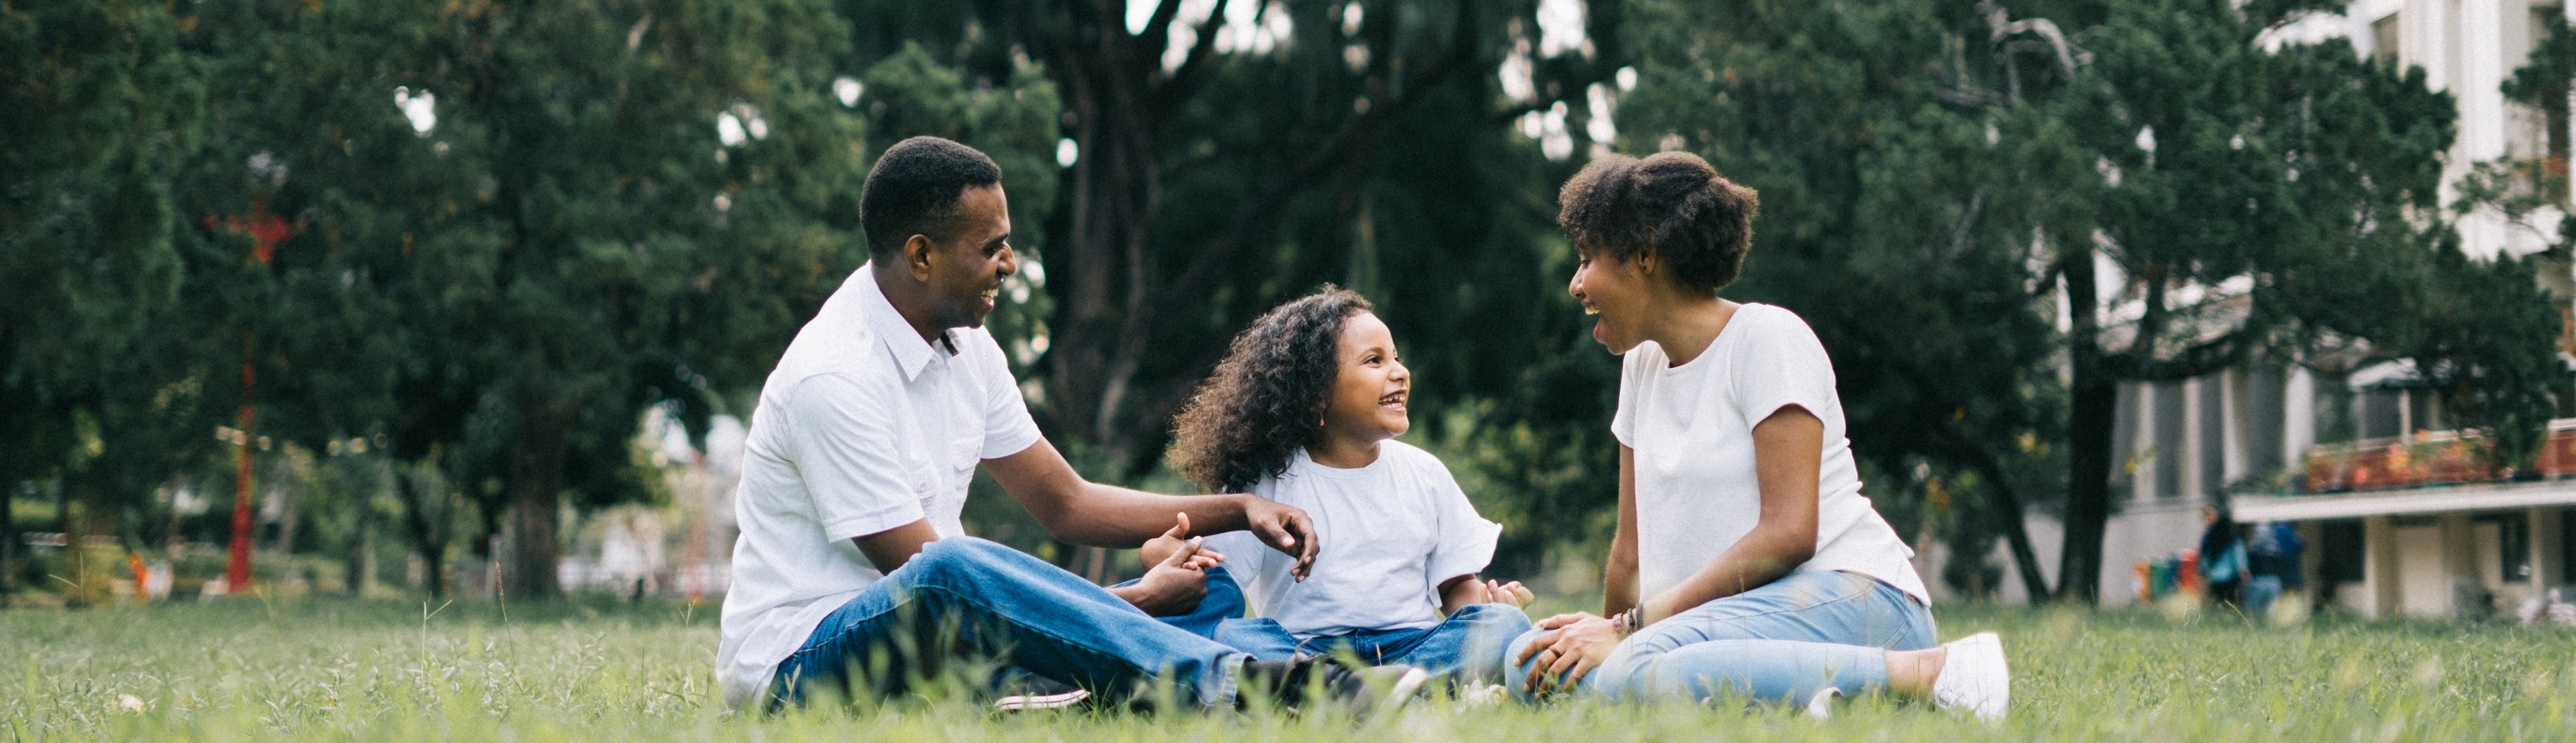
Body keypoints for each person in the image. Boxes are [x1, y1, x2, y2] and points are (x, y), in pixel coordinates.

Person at [715, 136, 1426, 715]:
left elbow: (1068, 503)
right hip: (801, 664)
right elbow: (930, 584)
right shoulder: (833, 376)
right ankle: (1246, 682)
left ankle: (1069, 694)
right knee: (949, 565)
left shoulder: (968, 347)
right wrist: (1128, 602)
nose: (1011, 263)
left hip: (934, 642)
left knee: (1202, 594)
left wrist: (1237, 511)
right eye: (990, 246)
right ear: (921, 255)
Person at [1506, 151, 2010, 721]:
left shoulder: (1768, 340)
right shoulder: (1641, 368)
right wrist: (1600, 640)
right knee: (1531, 667)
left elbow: (1789, 533)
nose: (1576, 284)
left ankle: (1935, 672)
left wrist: (1628, 633)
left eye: (1585, 258)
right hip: (1722, 622)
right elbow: (1629, 553)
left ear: (1644, 253)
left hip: (1851, 597)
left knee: (1638, 668)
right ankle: (1806, 698)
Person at [1156, 287, 1536, 687]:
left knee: (1504, 625)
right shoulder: (1265, 482)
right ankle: (1363, 687)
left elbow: (1456, 585)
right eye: (1374, 361)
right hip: (1304, 651)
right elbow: (1218, 584)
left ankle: (1382, 686)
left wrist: (1485, 606)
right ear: (1314, 395)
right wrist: (1171, 557)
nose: (1399, 372)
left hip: (1412, 644)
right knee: (1233, 635)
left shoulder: (1425, 473)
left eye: (1396, 358)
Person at [2244, 519, 2305, 617]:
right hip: (2273, 581)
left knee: (2255, 610)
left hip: (2260, 581)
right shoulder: (2276, 549)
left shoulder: (2253, 550)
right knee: (2270, 611)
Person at [2197, 505, 2248, 609]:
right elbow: (2239, 558)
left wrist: (2202, 576)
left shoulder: (2209, 537)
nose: (2208, 519)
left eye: (2210, 515)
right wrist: (2245, 575)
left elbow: (2204, 560)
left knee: (2218, 608)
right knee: (2233, 608)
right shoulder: (2232, 535)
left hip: (2216, 579)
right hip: (2230, 579)